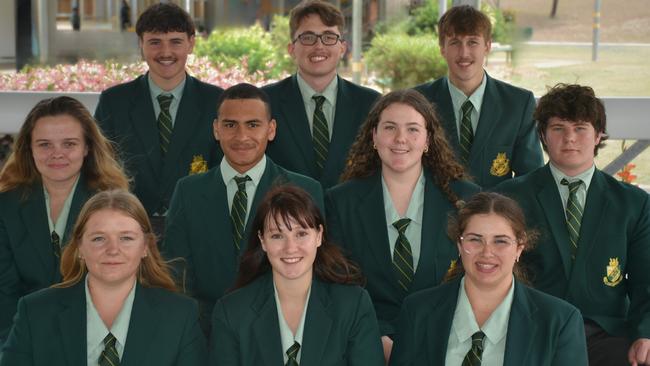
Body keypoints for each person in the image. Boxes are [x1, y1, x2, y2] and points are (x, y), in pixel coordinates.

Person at [495, 83, 650, 366]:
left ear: (598, 135)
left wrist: (645, 334)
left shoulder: (633, 204)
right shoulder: (510, 197)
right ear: (542, 135)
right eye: (558, 128)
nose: (570, 138)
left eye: (580, 128)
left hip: (607, 334)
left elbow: (646, 280)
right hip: (533, 331)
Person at [326, 89, 480, 362]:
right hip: (367, 345)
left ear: (428, 140)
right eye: (389, 128)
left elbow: (475, 279)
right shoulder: (341, 202)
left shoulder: (464, 199)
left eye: (412, 129)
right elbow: (340, 281)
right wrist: (375, 336)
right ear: (374, 136)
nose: (400, 139)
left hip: (445, 343)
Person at [163, 83, 324, 337]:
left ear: (271, 130)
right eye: (230, 125)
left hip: (279, 333)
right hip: (206, 334)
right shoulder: (188, 191)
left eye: (253, 124)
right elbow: (176, 273)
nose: (241, 136)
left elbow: (317, 273)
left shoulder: (305, 189)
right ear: (216, 129)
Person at [1, 190, 207, 366]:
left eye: (126, 238)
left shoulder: (180, 316)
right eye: (99, 238)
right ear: (80, 247)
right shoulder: (35, 312)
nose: (113, 250)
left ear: (145, 246)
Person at [389, 192, 588, 365]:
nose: (487, 253)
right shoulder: (417, 311)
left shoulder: (559, 321)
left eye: (500, 241)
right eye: (475, 239)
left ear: (519, 247)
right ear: (459, 245)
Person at [0, 96, 129, 347]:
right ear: (29, 148)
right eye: (45, 144)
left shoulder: (114, 204)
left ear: (87, 147)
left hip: (97, 338)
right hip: (22, 336)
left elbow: (118, 287)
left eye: (69, 143)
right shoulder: (6, 205)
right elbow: (3, 291)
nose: (56, 154)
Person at [209, 185, 384, 365]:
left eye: (301, 234)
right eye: (277, 236)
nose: (290, 248)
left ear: (319, 236)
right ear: (262, 240)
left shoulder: (353, 306)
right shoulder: (231, 312)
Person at [94, 2, 223, 230]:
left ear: (191, 44)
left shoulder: (217, 102)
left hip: (196, 223)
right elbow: (100, 166)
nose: (165, 52)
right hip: (129, 224)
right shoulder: (114, 102)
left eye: (175, 42)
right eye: (155, 42)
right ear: (141, 45)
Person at [414, 5, 542, 188]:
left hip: (495, 213)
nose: (464, 53)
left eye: (472, 42)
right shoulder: (417, 101)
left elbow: (530, 179)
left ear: (487, 46)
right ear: (442, 48)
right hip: (434, 215)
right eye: (455, 42)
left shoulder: (518, 104)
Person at [263, 0, 380, 189]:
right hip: (287, 216)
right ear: (291, 49)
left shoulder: (371, 104)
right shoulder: (265, 102)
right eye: (308, 37)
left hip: (351, 217)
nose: (319, 46)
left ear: (342, 48)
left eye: (329, 37)